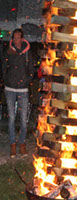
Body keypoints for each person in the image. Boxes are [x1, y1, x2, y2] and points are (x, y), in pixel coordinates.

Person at [2, 29, 34, 157]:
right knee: (11, 118)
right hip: (10, 89)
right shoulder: (8, 51)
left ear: (22, 38)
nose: (16, 40)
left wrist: (27, 80)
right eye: (14, 38)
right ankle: (12, 144)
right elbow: (4, 66)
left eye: (18, 38)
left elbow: (31, 68)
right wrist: (6, 79)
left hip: (23, 89)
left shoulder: (27, 52)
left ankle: (22, 143)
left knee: (23, 119)